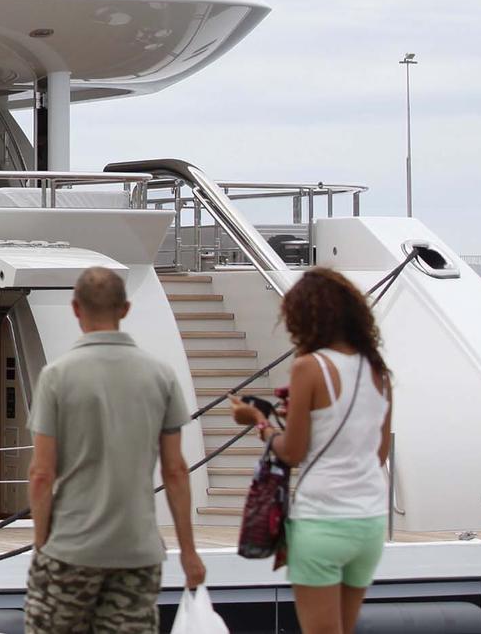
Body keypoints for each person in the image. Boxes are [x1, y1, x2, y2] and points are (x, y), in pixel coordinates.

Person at [25, 266, 205, 634]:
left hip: (71, 547)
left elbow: (42, 473)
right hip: (137, 551)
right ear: (125, 309)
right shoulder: (160, 375)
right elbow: (175, 471)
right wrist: (188, 552)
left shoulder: (57, 376)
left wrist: (42, 544)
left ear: (76, 309)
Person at [230, 268, 393, 634]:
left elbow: (292, 453)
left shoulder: (309, 366)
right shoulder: (377, 371)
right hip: (368, 522)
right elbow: (377, 452)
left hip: (322, 520)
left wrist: (258, 420)